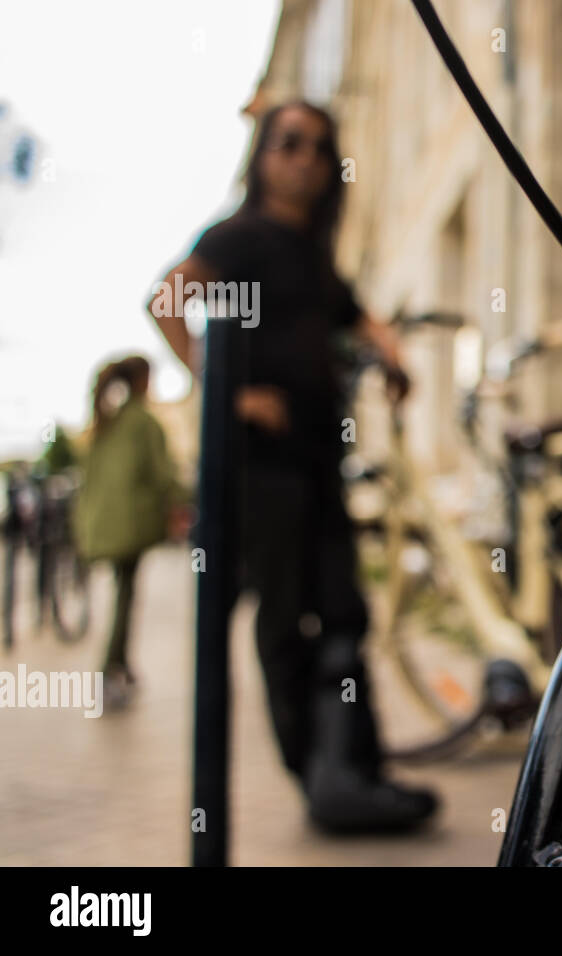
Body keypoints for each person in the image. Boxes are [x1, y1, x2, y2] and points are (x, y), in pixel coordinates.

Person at [150, 101, 436, 833]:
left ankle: (356, 773)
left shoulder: (313, 256)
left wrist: (392, 355)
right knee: (286, 617)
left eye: (319, 146)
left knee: (343, 609)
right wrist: (228, 394)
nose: (306, 157)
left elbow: (358, 316)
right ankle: (317, 776)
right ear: (264, 155)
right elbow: (166, 300)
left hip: (317, 458)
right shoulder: (240, 237)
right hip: (261, 468)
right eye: (290, 143)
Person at [73, 356, 177, 707]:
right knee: (125, 596)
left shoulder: (105, 423)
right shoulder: (143, 423)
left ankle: (121, 664)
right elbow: (162, 477)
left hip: (103, 523)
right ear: (142, 381)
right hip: (130, 523)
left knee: (124, 591)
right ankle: (108, 669)